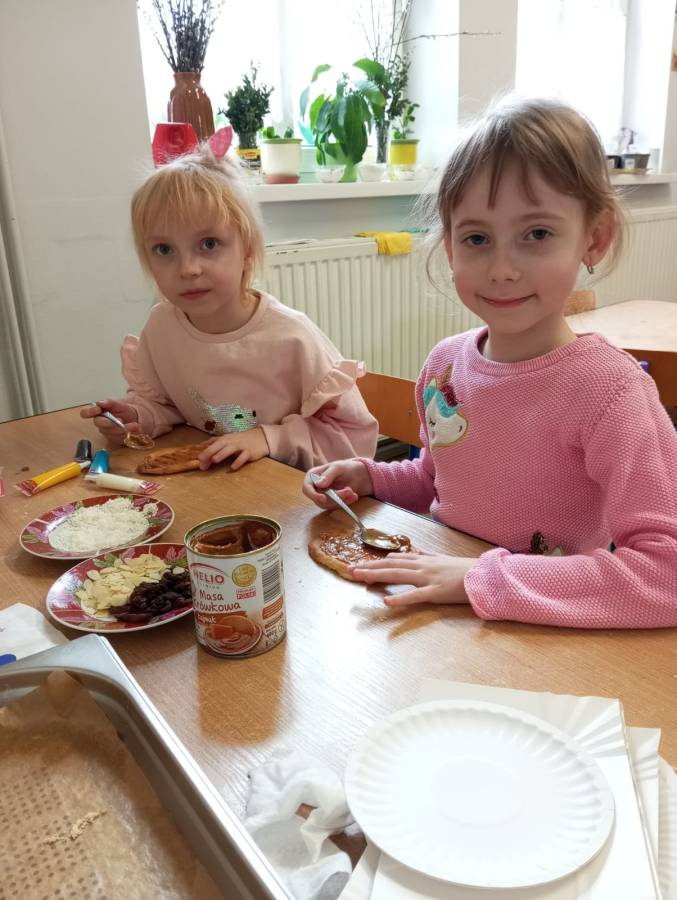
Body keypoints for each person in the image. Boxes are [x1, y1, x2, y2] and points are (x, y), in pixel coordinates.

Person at [304, 97, 677, 629]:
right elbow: (438, 480)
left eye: (537, 234)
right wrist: (370, 477)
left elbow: (667, 573)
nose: (502, 269)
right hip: (445, 619)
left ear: (594, 239)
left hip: (546, 634)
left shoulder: (611, 392)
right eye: (477, 238)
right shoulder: (443, 367)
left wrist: (480, 579)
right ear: (450, 248)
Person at [80, 143, 378, 471]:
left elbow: (353, 443)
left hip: (292, 494)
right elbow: (168, 406)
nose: (188, 269)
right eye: (164, 250)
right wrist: (136, 416)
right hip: (214, 486)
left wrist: (269, 438)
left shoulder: (293, 337)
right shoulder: (161, 327)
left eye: (209, 244)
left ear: (247, 251)